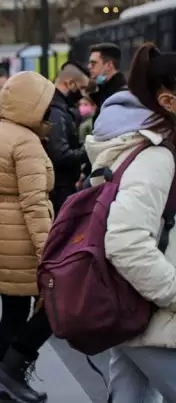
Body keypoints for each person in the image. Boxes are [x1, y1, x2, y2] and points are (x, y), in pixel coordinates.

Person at [86, 43, 176, 402]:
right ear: (168, 102)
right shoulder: (156, 159)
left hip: (137, 315)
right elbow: (124, 241)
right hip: (153, 319)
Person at [0, 71, 55, 403]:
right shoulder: (26, 142)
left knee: (11, 310)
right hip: (20, 235)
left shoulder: (0, 132)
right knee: (54, 307)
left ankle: (6, 386)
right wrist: (48, 251)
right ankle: (12, 370)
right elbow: (34, 202)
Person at [44, 63, 89, 213]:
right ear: (69, 83)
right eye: (81, 88)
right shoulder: (57, 112)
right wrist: (88, 149)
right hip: (59, 189)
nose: (83, 94)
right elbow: (60, 154)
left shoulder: (57, 107)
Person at [87, 42, 127, 122]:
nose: (89, 66)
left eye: (93, 63)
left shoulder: (120, 96)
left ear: (109, 65)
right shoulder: (103, 91)